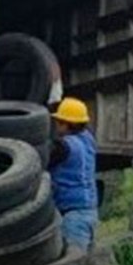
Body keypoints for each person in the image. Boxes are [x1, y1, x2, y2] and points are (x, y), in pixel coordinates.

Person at [48, 97, 99, 250]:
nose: (56, 127)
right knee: (84, 264)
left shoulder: (65, 147)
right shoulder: (88, 141)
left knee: (73, 264)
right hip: (89, 212)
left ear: (67, 124)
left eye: (59, 122)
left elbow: (43, 161)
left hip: (73, 215)